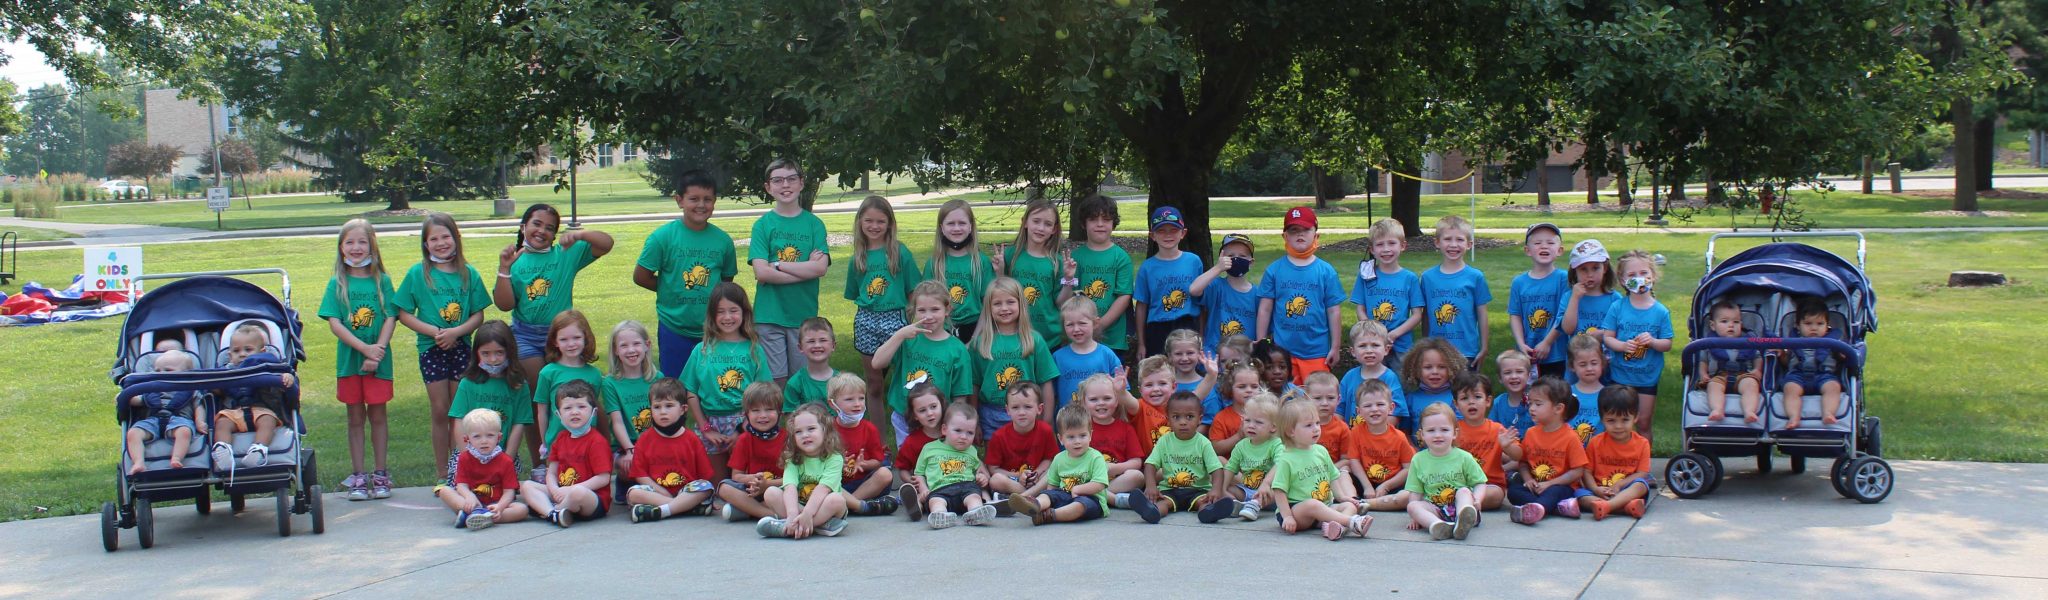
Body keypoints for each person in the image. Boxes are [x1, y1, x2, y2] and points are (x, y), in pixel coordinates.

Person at [395, 212, 491, 468]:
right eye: (434, 239)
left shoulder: (469, 273)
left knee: (459, 411)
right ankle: (442, 472)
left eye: (445, 237)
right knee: (440, 410)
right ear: (426, 244)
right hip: (432, 348)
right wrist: (435, 332)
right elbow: (403, 313)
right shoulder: (418, 274)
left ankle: (460, 469)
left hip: (461, 347)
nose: (441, 243)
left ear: (456, 238)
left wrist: (456, 332)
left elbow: (478, 314)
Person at [494, 203, 614, 393]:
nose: (542, 231)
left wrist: (580, 235)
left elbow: (606, 244)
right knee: (538, 389)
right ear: (523, 227)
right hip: (525, 335)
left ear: (554, 235)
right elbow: (504, 305)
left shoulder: (565, 254)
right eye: (537, 224)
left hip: (561, 334)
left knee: (567, 390)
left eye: (549, 228)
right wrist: (504, 269)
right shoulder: (514, 262)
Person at [321, 218, 399, 501]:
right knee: (355, 418)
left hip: (379, 363)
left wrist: (377, 351)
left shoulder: (383, 281)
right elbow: (335, 323)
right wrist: (365, 350)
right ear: (341, 247)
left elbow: (391, 317)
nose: (356, 248)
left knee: (378, 416)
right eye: (350, 242)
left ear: (372, 246)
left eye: (362, 242)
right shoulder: (337, 283)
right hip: (350, 363)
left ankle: (380, 473)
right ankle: (358, 476)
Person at [634, 170, 738, 378]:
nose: (701, 205)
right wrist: (670, 287)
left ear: (714, 201)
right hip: (674, 328)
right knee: (674, 387)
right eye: (694, 199)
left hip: (714, 328)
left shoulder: (723, 241)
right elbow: (641, 276)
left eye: (707, 199)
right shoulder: (662, 237)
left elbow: (726, 282)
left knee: (713, 384)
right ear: (679, 200)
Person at [748, 159, 832, 384]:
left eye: (791, 179)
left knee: (801, 381)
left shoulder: (814, 224)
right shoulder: (762, 225)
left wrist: (777, 265)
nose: (785, 185)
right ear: (768, 187)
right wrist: (805, 269)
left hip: (803, 317)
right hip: (769, 316)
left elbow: (820, 268)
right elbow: (762, 273)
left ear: (801, 183)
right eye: (778, 180)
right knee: (775, 382)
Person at [678, 283, 773, 480]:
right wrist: (705, 428)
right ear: (712, 315)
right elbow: (690, 391)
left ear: (744, 313)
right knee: (717, 485)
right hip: (710, 423)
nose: (727, 317)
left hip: (746, 423)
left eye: (733, 310)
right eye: (720, 311)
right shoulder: (702, 349)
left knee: (747, 482)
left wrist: (742, 429)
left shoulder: (754, 349)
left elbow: (764, 393)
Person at [843, 196, 923, 408]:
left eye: (880, 221)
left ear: (889, 224)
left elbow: (914, 291)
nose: (874, 226)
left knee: (907, 377)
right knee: (874, 383)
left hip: (896, 318)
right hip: (866, 320)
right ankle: (877, 429)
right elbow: (856, 293)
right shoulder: (858, 258)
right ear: (860, 222)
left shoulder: (899, 252)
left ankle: (909, 419)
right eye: (869, 220)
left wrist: (914, 319)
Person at [874, 280, 975, 445]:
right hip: (905, 417)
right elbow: (877, 363)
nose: (928, 316)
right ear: (914, 310)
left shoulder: (957, 350)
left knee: (933, 460)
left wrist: (952, 424)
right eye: (922, 310)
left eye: (935, 309)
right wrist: (899, 335)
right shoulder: (908, 339)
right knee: (908, 458)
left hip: (937, 421)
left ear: (947, 310)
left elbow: (960, 397)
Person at [1255, 207, 1345, 383]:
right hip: (1281, 353)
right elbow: (1265, 309)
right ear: (1285, 236)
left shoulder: (1326, 271)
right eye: (1293, 230)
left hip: (1316, 351)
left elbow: (1334, 311)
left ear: (1316, 235)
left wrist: (1335, 347)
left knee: (1316, 395)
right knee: (1285, 397)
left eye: (1305, 229)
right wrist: (1261, 342)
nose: (1299, 234)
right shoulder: (1274, 270)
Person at [969, 277, 1060, 437]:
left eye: (1010, 302)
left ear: (1021, 304)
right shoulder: (980, 343)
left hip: (1028, 412)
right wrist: (974, 420)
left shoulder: (1034, 340)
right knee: (995, 454)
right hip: (991, 414)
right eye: (997, 303)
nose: (1004, 308)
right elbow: (974, 384)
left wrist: (1047, 419)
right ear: (988, 307)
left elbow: (1046, 382)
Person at [1270, 398, 1372, 540]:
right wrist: (1287, 517)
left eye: (1317, 423)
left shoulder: (1321, 451)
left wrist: (1342, 497)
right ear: (1290, 431)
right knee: (1312, 504)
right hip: (1297, 512)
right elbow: (1279, 491)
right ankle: (1351, 522)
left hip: (1324, 506)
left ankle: (1337, 528)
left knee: (1349, 505)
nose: (1316, 428)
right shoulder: (1286, 458)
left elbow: (1332, 477)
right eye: (1309, 425)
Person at [1599, 249, 1674, 440]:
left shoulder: (1660, 311)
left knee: (1643, 422)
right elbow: (1608, 338)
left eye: (1644, 273)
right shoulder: (1618, 307)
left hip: (1647, 379)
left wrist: (1653, 341)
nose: (1639, 279)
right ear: (1623, 280)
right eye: (1632, 275)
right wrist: (1622, 346)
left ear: (1653, 276)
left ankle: (1644, 458)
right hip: (1620, 377)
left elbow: (1667, 344)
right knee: (1617, 421)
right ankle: (1615, 456)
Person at [444, 322, 531, 483]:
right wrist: (467, 457)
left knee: (503, 492)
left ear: (510, 351)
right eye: (486, 353)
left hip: (502, 453)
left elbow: (518, 425)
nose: (493, 359)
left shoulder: (519, 386)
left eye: (499, 352)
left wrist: (507, 460)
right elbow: (459, 421)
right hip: (469, 453)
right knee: (455, 490)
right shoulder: (468, 383)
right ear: (476, 353)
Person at [520, 380, 611, 527]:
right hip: (562, 492)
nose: (575, 412)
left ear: (593, 412)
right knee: (527, 486)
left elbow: (603, 478)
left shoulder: (596, 441)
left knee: (578, 492)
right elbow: (551, 473)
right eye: (568, 408)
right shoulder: (561, 439)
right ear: (559, 414)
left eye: (581, 406)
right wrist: (554, 489)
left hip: (591, 499)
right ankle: (553, 514)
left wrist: (570, 490)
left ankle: (551, 509)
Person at [625, 379, 717, 523]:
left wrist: (697, 495)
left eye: (669, 406)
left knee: (706, 488)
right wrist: (663, 492)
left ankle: (662, 511)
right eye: (657, 407)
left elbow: (704, 476)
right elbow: (640, 475)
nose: (663, 412)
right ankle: (684, 508)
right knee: (633, 493)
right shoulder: (644, 439)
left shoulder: (692, 439)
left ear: (683, 409)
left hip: (686, 492)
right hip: (657, 492)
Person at [207, 324, 296, 469]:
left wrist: (287, 377)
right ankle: (223, 449)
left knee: (268, 421)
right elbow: (218, 391)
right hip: (235, 412)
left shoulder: (268, 367)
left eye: (248, 350)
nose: (242, 354)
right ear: (229, 355)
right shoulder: (226, 371)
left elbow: (283, 377)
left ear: (262, 352)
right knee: (222, 422)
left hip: (262, 409)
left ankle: (258, 449)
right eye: (236, 351)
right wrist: (214, 386)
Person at [1005, 403, 1111, 526]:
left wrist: (1078, 489)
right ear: (1061, 439)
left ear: (1090, 435)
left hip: (1091, 499)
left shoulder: (1095, 457)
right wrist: (1050, 498)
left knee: (1080, 505)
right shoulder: (1059, 458)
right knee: (1047, 494)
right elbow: (1052, 486)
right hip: (1065, 496)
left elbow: (1099, 484)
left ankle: (1049, 515)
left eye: (1082, 435)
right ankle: (1036, 505)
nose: (1077, 441)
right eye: (1071, 437)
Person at [755, 404, 850, 538]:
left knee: (837, 500)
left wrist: (807, 514)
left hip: (826, 509)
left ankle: (789, 528)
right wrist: (792, 514)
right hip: (798, 507)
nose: (805, 435)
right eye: (798, 432)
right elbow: (790, 488)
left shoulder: (834, 458)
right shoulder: (793, 459)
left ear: (825, 430)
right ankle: (816, 526)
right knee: (771, 493)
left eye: (811, 429)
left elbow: (823, 489)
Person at [1506, 376, 1590, 525]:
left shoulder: (1570, 437)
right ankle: (1556, 508)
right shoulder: (1531, 433)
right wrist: (1528, 479)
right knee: (1513, 491)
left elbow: (1578, 471)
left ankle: (1538, 508)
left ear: (1558, 408)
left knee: (1555, 492)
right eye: (1530, 403)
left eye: (1538, 404)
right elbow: (1523, 463)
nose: (1531, 408)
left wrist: (1550, 483)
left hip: (1561, 487)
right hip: (1537, 486)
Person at [1077, 372, 1159, 520]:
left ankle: (1095, 494)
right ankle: (1115, 499)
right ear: (1084, 403)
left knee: (1137, 476)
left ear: (1116, 401)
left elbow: (1136, 462)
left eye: (1107, 398)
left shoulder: (1125, 428)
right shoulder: (1081, 429)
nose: (1101, 403)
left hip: (1116, 480)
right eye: (1094, 399)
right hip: (1088, 478)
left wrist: (1113, 468)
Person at [992, 199, 1071, 344]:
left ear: (1054, 229)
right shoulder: (1010, 256)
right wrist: (1000, 273)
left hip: (1050, 338)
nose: (1041, 228)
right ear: (1025, 222)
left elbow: (1061, 303)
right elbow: (1000, 294)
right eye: (1036, 221)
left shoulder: (1057, 262)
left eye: (1048, 224)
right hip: (1015, 334)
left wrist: (1069, 279)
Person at [435, 409, 529, 530]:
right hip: (472, 503)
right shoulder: (464, 458)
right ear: (467, 439)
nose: (484, 441)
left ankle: (481, 517)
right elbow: (461, 486)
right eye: (477, 436)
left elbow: (509, 492)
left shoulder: (506, 461)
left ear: (499, 437)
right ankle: (473, 513)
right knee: (445, 491)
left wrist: (500, 507)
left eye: (490, 435)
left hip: (495, 504)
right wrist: (469, 497)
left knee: (522, 509)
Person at [530, 310, 604, 464]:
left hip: (588, 446)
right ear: (555, 341)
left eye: (576, 337)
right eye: (564, 339)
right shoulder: (548, 373)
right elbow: (542, 411)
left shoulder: (594, 374)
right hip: (557, 445)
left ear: (586, 338)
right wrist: (545, 443)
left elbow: (593, 411)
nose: (571, 344)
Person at [910, 401, 999, 529]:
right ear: (944, 429)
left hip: (966, 486)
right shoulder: (929, 448)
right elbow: (919, 474)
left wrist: (982, 478)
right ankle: (940, 515)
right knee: (935, 501)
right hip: (940, 489)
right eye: (958, 430)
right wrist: (924, 489)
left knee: (974, 496)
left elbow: (978, 472)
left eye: (970, 433)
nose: (964, 436)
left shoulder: (971, 451)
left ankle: (976, 512)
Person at [1141, 391, 1228, 523]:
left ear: (1199, 419)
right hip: (1169, 489)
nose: (1183, 422)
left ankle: (1209, 513)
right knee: (1163, 503)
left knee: (1204, 502)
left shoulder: (1203, 443)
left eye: (1189, 417)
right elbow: (1150, 465)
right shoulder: (1164, 441)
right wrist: (1151, 486)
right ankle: (1152, 512)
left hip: (1198, 490)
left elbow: (1217, 469)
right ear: (1168, 420)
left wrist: (1216, 490)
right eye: (1176, 417)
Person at [1404, 404, 1487, 540]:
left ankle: (1463, 518)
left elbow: (1480, 482)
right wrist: (1415, 517)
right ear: (1422, 434)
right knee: (1412, 506)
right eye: (1431, 430)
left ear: (1454, 433)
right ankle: (1437, 525)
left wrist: (1477, 499)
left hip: (1461, 505)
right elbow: (1415, 492)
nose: (1438, 435)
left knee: (1464, 491)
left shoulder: (1464, 457)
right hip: (1436, 510)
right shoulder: (1418, 460)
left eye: (1444, 430)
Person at [1067, 194, 1135, 359]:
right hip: (1079, 335)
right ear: (1083, 223)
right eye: (1093, 219)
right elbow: (1071, 296)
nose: (1100, 224)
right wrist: (1085, 327)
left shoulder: (1121, 257)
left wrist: (1100, 325)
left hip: (1112, 338)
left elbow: (1124, 296)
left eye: (1106, 219)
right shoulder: (1075, 257)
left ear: (1113, 223)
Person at [1420, 215, 1492, 370]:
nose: (1453, 245)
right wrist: (1425, 344)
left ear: (1469, 244)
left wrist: (1484, 347)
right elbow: (1425, 315)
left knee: (1465, 386)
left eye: (1460, 240)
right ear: (1437, 243)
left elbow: (1482, 314)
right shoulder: (1427, 278)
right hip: (1436, 351)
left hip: (1466, 350)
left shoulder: (1475, 277)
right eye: (1447, 239)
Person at [1351, 218, 1425, 364]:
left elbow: (1417, 315)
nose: (1386, 249)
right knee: (1373, 377)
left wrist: (1394, 334)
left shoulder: (1409, 278)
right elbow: (1360, 308)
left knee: (1402, 377)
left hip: (1401, 345)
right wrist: (1372, 332)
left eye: (1391, 243)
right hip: (1372, 344)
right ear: (1372, 249)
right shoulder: (1366, 275)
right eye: (1380, 244)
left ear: (1403, 245)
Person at [1133, 207, 1205, 357]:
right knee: (1160, 367)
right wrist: (1141, 343)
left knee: (1187, 364)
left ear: (1183, 233)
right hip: (1158, 327)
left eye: (1173, 230)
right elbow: (1141, 305)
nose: (1167, 235)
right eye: (1161, 231)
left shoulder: (1193, 261)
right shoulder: (1147, 267)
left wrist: (1202, 335)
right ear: (1152, 235)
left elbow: (1201, 302)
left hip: (1187, 324)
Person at [824, 373, 899, 516]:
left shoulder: (869, 428)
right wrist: (837, 464)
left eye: (861, 398)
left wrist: (863, 464)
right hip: (837, 484)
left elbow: (877, 461)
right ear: (832, 404)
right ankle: (857, 505)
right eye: (849, 399)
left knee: (885, 474)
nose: (857, 404)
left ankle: (848, 505)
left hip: (864, 484)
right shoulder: (827, 430)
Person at [604, 320, 661, 504]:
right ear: (615, 350)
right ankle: (627, 485)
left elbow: (664, 417)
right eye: (624, 345)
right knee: (628, 462)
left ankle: (655, 490)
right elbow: (617, 421)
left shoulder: (657, 378)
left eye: (636, 343)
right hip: (627, 443)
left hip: (655, 440)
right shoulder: (611, 383)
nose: (631, 350)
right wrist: (630, 450)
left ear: (647, 345)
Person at [714, 382, 788, 522]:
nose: (763, 415)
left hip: (779, 490)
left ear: (780, 413)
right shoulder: (744, 440)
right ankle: (770, 515)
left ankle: (748, 510)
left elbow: (794, 478)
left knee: (787, 492)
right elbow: (736, 476)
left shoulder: (788, 440)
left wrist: (767, 484)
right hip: (752, 490)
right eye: (755, 410)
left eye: (769, 409)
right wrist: (753, 479)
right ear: (746, 414)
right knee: (723, 488)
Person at [925, 199, 996, 342]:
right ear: (942, 227)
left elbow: (988, 305)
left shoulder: (981, 262)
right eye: (951, 223)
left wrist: (974, 339)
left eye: (962, 223)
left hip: (976, 329)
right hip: (941, 328)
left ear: (970, 226)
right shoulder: (934, 263)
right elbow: (926, 304)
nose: (956, 228)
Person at [1339, 380, 1414, 513]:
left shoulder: (1399, 437)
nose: (1374, 409)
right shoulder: (1356, 432)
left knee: (1408, 496)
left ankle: (1365, 504)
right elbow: (1354, 461)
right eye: (1368, 405)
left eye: (1380, 404)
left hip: (1392, 485)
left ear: (1391, 407)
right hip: (1365, 482)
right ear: (1359, 411)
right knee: (1343, 470)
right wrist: (1367, 486)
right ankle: (1352, 500)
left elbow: (1408, 468)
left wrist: (1386, 486)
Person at [1207, 393, 1283, 521]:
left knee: (1280, 490)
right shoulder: (1241, 445)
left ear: (1273, 427)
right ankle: (1233, 505)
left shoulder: (1276, 444)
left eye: (1258, 422)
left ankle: (1254, 505)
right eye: (1247, 420)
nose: (1251, 425)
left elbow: (1281, 464)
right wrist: (1223, 490)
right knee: (1227, 484)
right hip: (1248, 489)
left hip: (1271, 493)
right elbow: (1230, 468)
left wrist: (1266, 484)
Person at [1580, 385, 1653, 520]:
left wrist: (1620, 484)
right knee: (1580, 495)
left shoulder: (1642, 443)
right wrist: (1595, 489)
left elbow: (1642, 473)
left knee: (1641, 485)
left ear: (1635, 417)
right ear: (1602, 419)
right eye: (1611, 420)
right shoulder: (1595, 442)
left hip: (1626, 490)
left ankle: (1607, 506)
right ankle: (1625, 508)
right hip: (1600, 490)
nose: (1618, 426)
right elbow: (1586, 472)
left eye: (1625, 420)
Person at [125, 350, 202, 473]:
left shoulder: (191, 389)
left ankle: (176, 458)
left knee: (184, 432)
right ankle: (138, 462)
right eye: (157, 371)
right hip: (152, 421)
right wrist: (125, 397)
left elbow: (199, 406)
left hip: (179, 421)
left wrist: (200, 421)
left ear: (186, 373)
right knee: (133, 433)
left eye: (168, 370)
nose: (161, 374)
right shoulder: (150, 389)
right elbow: (137, 401)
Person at [1510, 223, 1570, 378]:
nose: (1544, 246)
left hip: (1556, 353)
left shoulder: (1563, 279)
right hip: (1527, 354)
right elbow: (1515, 315)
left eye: (1550, 242)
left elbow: (1564, 316)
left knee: (1555, 391)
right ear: (1527, 250)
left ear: (1560, 250)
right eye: (1537, 243)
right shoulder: (1519, 282)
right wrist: (1520, 344)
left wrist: (1547, 342)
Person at [1451, 372, 1516, 510]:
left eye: (1477, 396)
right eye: (1464, 398)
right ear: (1456, 404)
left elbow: (1518, 456)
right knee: (1451, 491)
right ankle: (1466, 506)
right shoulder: (1452, 430)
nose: (1471, 402)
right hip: (1459, 484)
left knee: (1496, 495)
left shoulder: (1497, 429)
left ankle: (1460, 506)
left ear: (1488, 401)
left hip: (1490, 484)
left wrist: (1508, 447)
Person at [985, 383, 1058, 501]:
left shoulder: (1046, 431)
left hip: (1037, 478)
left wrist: (1035, 474)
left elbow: (1049, 459)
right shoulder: (998, 436)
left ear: (1039, 409)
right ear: (1008, 410)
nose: (1021, 412)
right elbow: (993, 469)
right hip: (1013, 480)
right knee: (995, 480)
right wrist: (1018, 476)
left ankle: (1021, 498)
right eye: (1015, 407)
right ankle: (1033, 497)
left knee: (1053, 472)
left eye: (1028, 407)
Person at [1780, 298, 1846, 428]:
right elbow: (1786, 363)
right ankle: (1794, 416)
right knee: (1790, 389)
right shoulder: (1793, 340)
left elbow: (1842, 359)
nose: (1814, 328)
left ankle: (1828, 413)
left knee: (1833, 388)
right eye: (1808, 323)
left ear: (1827, 326)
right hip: (1797, 375)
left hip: (1825, 375)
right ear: (1798, 325)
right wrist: (1781, 355)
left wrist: (1842, 354)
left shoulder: (1833, 342)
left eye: (1820, 324)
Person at [1190, 233, 1261, 354]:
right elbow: (1194, 290)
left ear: (1251, 262)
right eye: (1230, 256)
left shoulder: (1257, 294)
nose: (1236, 259)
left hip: (1244, 357)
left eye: (1242, 256)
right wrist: (1218, 268)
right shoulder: (1216, 286)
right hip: (1214, 355)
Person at [1050, 297, 1122, 413]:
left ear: (1095, 323)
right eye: (1070, 324)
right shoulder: (1058, 357)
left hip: (1101, 418)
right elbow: (1050, 394)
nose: (1076, 329)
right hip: (1069, 421)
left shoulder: (1106, 354)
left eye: (1082, 323)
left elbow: (1122, 391)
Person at [1698, 301, 1764, 423]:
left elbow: (1757, 356)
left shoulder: (1749, 340)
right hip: (1718, 376)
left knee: (1751, 385)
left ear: (1741, 324)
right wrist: (1703, 374)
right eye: (1724, 321)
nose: (1731, 325)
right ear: (1713, 325)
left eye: (1736, 322)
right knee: (1713, 386)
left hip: (1744, 375)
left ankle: (1749, 411)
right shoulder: (1709, 342)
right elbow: (1703, 360)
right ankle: (1717, 409)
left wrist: (1757, 369)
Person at [891, 383, 948, 520]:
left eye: (933, 407)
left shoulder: (952, 434)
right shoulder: (912, 441)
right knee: (922, 494)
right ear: (915, 415)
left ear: (942, 405)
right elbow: (903, 469)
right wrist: (911, 481)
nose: (930, 413)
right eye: (922, 410)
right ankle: (916, 506)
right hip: (926, 486)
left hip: (951, 480)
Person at [1338, 321, 1405, 425]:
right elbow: (1339, 410)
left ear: (1386, 349)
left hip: (1380, 433)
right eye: (1362, 346)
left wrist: (1376, 430)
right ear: (1353, 351)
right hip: (1352, 433)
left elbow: (1396, 414)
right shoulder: (1349, 377)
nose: (1369, 350)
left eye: (1375, 345)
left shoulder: (1390, 378)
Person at [1556, 239, 1621, 345]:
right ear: (1575, 271)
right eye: (1583, 269)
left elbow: (1621, 330)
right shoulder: (1569, 297)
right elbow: (1568, 329)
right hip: (1577, 354)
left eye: (1595, 268)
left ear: (1604, 268)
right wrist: (1575, 298)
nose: (1590, 274)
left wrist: (1602, 333)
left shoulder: (1615, 299)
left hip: (1606, 354)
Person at [1400, 337, 1466, 431]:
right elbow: (1404, 432)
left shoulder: (1457, 398)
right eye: (1428, 367)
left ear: (1452, 368)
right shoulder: (1410, 399)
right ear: (1416, 370)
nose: (1435, 372)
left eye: (1441, 367)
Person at [1205, 360, 1265, 456]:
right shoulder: (1222, 418)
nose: (1249, 390)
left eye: (1254, 386)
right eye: (1242, 387)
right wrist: (1239, 436)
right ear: (1230, 388)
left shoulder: (1266, 415)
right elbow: (1215, 450)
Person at [781, 318, 840, 411]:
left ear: (833, 345)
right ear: (800, 347)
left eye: (823, 340)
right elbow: (790, 417)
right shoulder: (795, 383)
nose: (817, 345)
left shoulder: (842, 382)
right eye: (811, 341)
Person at [1566, 334, 1611, 443]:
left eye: (1594, 363)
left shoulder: (1609, 395)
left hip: (1599, 450)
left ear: (1602, 363)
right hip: (1571, 449)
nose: (1589, 368)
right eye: (1583, 365)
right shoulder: (1567, 393)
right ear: (1572, 366)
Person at [1489, 350, 1535, 436]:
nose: (1514, 376)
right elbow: (1492, 430)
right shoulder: (1498, 403)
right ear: (1500, 378)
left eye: (1519, 371)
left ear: (1529, 375)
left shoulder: (1536, 402)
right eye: (1507, 372)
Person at [1304, 371, 1350, 457]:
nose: (1324, 403)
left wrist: (1331, 466)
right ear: (1306, 398)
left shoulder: (1342, 429)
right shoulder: (1300, 426)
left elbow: (1346, 459)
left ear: (1338, 399)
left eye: (1330, 398)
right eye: (1318, 398)